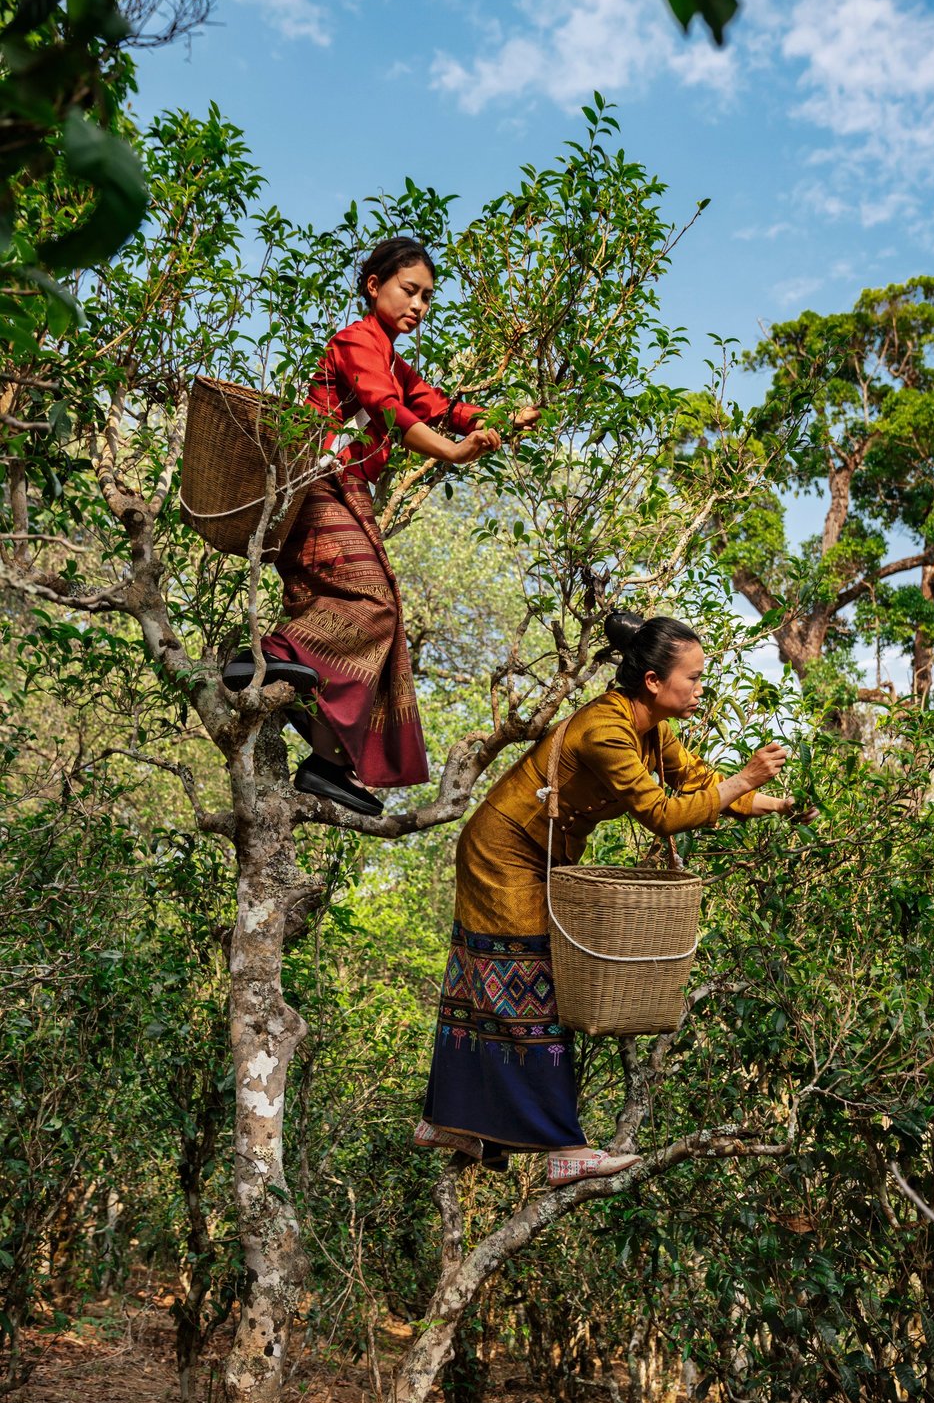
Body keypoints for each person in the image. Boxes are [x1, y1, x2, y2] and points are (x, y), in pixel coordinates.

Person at [416, 610, 811, 1185]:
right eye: (693, 678)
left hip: (543, 854)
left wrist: (774, 803)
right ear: (653, 681)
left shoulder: (651, 727)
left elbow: (700, 785)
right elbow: (663, 815)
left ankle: (451, 1122)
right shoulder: (605, 730)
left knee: (489, 980)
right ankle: (561, 1149)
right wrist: (746, 780)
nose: (701, 688)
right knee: (527, 986)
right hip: (502, 852)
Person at [223, 236, 538, 816]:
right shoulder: (355, 341)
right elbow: (389, 407)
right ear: (374, 286)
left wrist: (502, 422)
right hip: (315, 484)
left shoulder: (393, 357)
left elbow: (439, 404)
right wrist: (450, 452)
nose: (419, 305)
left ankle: (327, 761)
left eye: (427, 297)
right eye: (409, 290)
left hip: (348, 490)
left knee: (381, 623)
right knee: (373, 604)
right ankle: (258, 658)